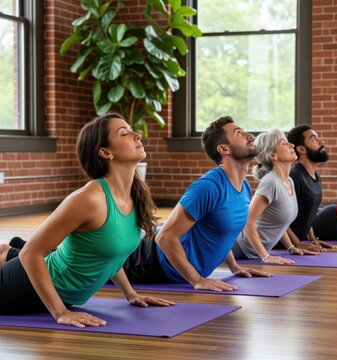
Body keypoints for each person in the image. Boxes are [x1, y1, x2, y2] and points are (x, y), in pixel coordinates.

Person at [0, 113, 172, 327]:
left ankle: (5, 252)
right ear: (105, 152)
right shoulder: (90, 198)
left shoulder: (134, 195)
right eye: (125, 133)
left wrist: (130, 294)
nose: (137, 135)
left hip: (60, 291)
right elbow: (30, 253)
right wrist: (60, 312)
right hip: (24, 287)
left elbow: (110, 254)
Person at [122, 116, 272, 291]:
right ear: (224, 149)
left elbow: (223, 232)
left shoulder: (244, 186)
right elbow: (164, 237)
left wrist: (235, 267)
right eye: (239, 133)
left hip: (167, 266)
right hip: (146, 262)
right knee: (88, 269)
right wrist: (197, 280)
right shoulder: (208, 187)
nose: (250, 135)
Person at [232, 130, 319, 265]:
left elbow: (280, 222)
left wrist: (290, 247)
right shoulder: (270, 182)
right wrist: (265, 256)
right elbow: (247, 221)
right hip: (238, 248)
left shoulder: (289, 181)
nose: (291, 145)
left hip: (255, 253)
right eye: (284, 143)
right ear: (273, 155)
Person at [283, 124, 336, 251]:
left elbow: (308, 212)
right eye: (313, 138)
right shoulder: (294, 176)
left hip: (296, 243)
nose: (321, 141)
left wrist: (312, 239)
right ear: (301, 149)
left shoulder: (314, 174)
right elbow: (279, 217)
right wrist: (296, 244)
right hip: (281, 245)